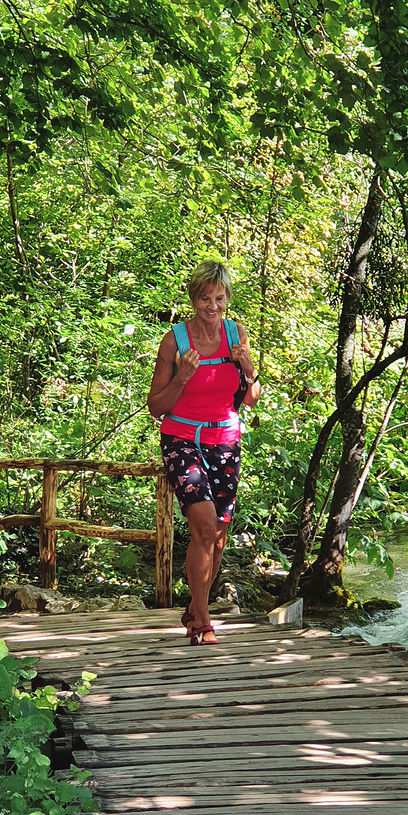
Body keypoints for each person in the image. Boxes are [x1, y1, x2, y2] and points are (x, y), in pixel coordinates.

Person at [148, 261, 261, 646]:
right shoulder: (175, 340)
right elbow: (155, 406)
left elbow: (251, 397)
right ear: (193, 299)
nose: (211, 305)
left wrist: (249, 370)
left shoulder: (236, 335)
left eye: (218, 298)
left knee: (218, 534)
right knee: (204, 525)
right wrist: (182, 376)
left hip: (225, 439)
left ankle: (196, 609)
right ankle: (203, 624)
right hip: (182, 438)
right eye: (203, 298)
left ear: (227, 298)